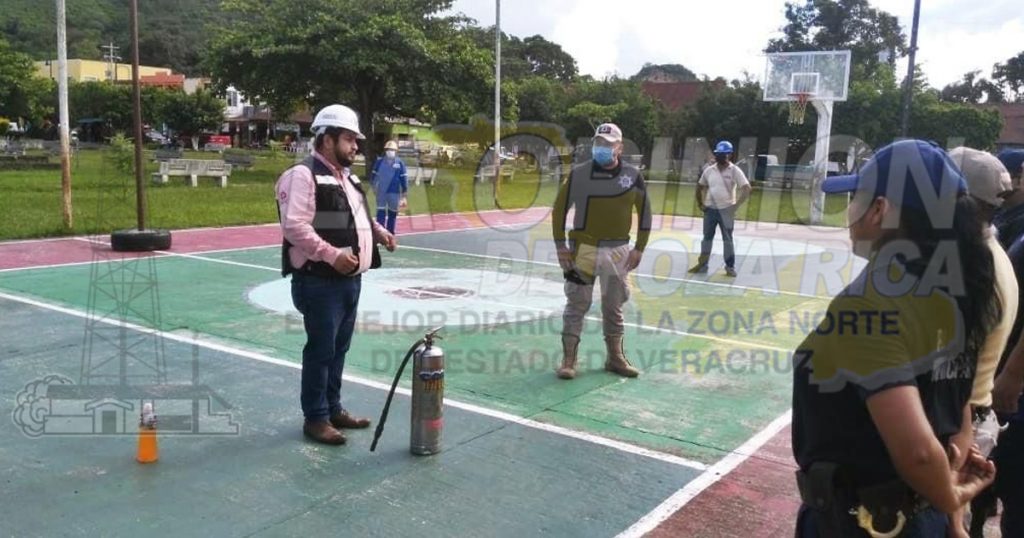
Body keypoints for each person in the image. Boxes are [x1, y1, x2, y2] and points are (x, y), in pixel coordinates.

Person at [792, 140, 999, 537]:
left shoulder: (870, 304)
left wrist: (951, 498)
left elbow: (919, 453)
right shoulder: (955, 292)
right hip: (924, 518)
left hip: (865, 522)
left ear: (879, 210)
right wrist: (953, 519)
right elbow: (959, 412)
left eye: (855, 198)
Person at [275, 104, 397, 445]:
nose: (355, 146)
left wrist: (378, 232)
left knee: (338, 349)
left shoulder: (347, 177)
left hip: (349, 280)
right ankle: (315, 418)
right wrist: (331, 255)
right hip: (318, 281)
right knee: (321, 350)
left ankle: (333, 408)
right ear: (326, 139)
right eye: (348, 139)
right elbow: (294, 226)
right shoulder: (302, 176)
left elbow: (356, 217)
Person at [947, 147, 1016, 537]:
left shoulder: (973, 269)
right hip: (970, 420)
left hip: (958, 429)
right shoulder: (987, 251)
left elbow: (949, 372)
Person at [552, 123, 651, 380]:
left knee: (613, 306)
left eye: (608, 144)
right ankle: (569, 360)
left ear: (619, 147)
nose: (602, 148)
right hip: (583, 249)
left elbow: (645, 213)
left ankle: (615, 358)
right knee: (577, 303)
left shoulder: (632, 176)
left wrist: (640, 247)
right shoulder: (579, 174)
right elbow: (559, 210)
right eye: (599, 143)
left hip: (618, 250)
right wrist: (560, 245)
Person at [689, 140, 751, 277]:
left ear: (729, 155)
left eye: (723, 154)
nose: (720, 156)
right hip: (710, 210)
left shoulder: (735, 170)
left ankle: (730, 267)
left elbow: (746, 188)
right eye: (718, 154)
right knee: (707, 239)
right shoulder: (709, 170)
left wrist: (735, 206)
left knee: (727, 239)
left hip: (726, 210)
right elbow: (700, 186)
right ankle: (703, 265)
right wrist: (700, 204)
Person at [370, 140, 409, 234]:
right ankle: (380, 231)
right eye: (388, 149)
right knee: (381, 211)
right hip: (381, 191)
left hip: (394, 192)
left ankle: (390, 231)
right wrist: (374, 187)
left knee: (392, 212)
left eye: (392, 149)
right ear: (385, 150)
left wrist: (404, 193)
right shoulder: (379, 162)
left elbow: (404, 178)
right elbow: (373, 176)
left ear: (396, 151)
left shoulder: (400, 163)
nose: (390, 151)